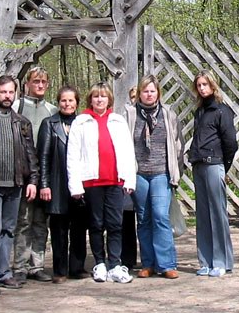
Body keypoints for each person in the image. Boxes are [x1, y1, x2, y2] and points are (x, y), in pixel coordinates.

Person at [67, 82, 136, 284]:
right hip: (91, 181)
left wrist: (129, 178)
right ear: (90, 99)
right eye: (96, 96)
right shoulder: (81, 122)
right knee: (96, 224)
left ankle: (115, 264)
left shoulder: (118, 121)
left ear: (109, 99)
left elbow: (128, 151)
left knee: (115, 223)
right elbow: (73, 155)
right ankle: (100, 263)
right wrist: (75, 185)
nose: (99, 100)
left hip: (115, 181)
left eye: (103, 96)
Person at [125, 75, 184, 279]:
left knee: (160, 216)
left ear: (158, 93)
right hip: (138, 174)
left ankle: (166, 264)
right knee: (143, 218)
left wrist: (176, 172)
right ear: (139, 93)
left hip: (161, 173)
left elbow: (178, 144)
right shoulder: (130, 114)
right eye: (145, 91)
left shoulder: (168, 114)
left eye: (152, 91)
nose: (149, 95)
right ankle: (148, 264)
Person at [0, 75, 40, 289]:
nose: (7, 96)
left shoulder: (22, 122)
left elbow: (30, 154)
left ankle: (3, 272)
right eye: (3, 92)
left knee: (9, 229)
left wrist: (33, 180)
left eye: (11, 92)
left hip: (15, 183)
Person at [187, 70, 238, 278]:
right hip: (198, 165)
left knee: (217, 214)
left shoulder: (222, 111)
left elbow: (230, 142)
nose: (202, 88)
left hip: (214, 164)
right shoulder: (199, 112)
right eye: (199, 85)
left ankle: (221, 261)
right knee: (203, 215)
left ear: (213, 86)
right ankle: (205, 261)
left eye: (205, 84)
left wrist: (224, 166)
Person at [37, 85, 88, 283]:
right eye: (63, 100)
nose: (67, 104)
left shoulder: (83, 123)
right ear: (58, 103)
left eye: (71, 100)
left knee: (79, 228)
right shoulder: (49, 124)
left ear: (77, 102)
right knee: (58, 230)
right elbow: (43, 157)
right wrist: (44, 184)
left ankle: (77, 267)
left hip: (79, 184)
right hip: (57, 184)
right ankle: (59, 270)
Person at [12, 66, 57, 282]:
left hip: (46, 175)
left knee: (41, 222)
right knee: (23, 221)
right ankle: (19, 265)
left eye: (43, 82)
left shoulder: (53, 110)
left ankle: (37, 265)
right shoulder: (16, 107)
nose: (39, 85)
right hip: (23, 174)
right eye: (35, 81)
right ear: (27, 84)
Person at [121, 86, 138, 270]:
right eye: (132, 97)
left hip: (147, 172)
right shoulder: (123, 118)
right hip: (127, 172)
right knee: (126, 217)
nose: (135, 100)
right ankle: (127, 258)